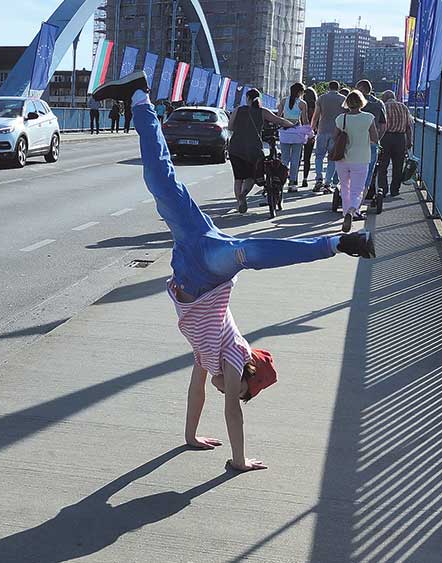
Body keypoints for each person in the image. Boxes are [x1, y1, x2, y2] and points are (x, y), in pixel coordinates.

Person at [92, 71, 376, 472]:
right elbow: (232, 412)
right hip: (210, 270)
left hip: (187, 259)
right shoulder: (233, 357)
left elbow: (196, 391)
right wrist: (239, 460)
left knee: (159, 180)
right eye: (242, 390)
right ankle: (335, 243)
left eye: (238, 393)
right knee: (251, 252)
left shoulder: (209, 359)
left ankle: (138, 98)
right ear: (247, 373)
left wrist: (190, 436)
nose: (231, 393)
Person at [227, 88, 293, 214]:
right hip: (253, 149)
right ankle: (243, 194)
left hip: (235, 147)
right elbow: (278, 120)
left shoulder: (238, 110)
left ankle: (239, 202)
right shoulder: (262, 111)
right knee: (252, 176)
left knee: (238, 178)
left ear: (247, 98)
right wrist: (293, 125)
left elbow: (230, 127)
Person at [333, 90, 379, 233]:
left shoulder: (341, 118)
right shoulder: (368, 118)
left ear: (347, 103)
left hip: (342, 158)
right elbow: (375, 138)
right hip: (361, 158)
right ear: (361, 102)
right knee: (357, 190)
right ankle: (352, 211)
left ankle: (346, 212)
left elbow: (335, 137)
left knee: (344, 186)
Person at [378, 90, 415, 197]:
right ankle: (395, 190)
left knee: (382, 165)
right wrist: (409, 141)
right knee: (398, 166)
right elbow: (408, 126)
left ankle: (383, 189)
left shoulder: (383, 107)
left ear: (384, 98)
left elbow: (380, 125)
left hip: (385, 137)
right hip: (400, 138)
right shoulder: (403, 107)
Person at [311, 81, 346, 194]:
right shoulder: (343, 99)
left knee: (319, 156)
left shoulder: (321, 98)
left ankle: (318, 179)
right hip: (336, 132)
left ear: (328, 88)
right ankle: (327, 183)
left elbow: (316, 115)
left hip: (322, 130)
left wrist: (312, 128)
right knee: (332, 158)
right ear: (338, 88)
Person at [276, 82, 310, 192]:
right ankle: (292, 182)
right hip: (297, 132)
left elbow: (278, 117)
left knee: (284, 159)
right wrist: (309, 131)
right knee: (295, 159)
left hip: (285, 132)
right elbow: (304, 120)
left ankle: (281, 181)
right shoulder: (302, 103)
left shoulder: (283, 101)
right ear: (300, 92)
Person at [355, 80, 387, 194]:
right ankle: (364, 193)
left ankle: (352, 191)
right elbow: (383, 126)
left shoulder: (355, 102)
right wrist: (377, 138)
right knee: (368, 170)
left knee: (353, 168)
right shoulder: (379, 104)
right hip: (372, 141)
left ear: (361, 89)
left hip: (355, 141)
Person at [301, 87, 318, 188]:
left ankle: (293, 179)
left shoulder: (300, 105)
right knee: (307, 158)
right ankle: (305, 178)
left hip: (299, 132)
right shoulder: (316, 107)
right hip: (310, 133)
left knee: (297, 156)